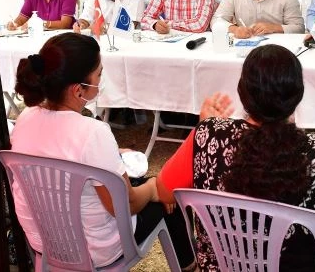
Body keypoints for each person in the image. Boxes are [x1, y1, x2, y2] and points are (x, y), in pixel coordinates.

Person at [157, 44, 315, 272]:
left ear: (242, 92)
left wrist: (204, 130)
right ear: (298, 95)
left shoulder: (208, 135)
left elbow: (165, 192)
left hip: (222, 267)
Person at [10, 33, 195, 270]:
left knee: (134, 183)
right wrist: (153, 188)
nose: (101, 80)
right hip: (94, 250)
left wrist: (114, 153)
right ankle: (190, 265)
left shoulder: (25, 119)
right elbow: (124, 205)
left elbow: (60, 150)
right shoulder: (92, 132)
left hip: (43, 243)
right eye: (99, 74)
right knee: (166, 192)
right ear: (78, 90)